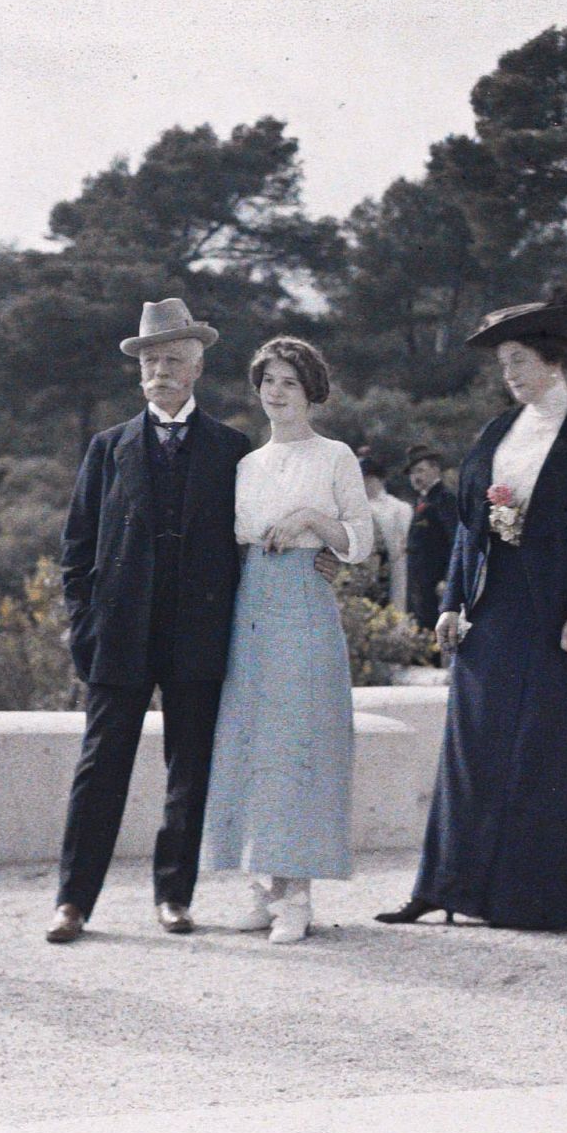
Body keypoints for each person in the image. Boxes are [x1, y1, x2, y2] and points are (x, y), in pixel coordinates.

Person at [375, 292, 567, 932]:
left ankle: (536, 901)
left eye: (518, 360)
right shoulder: (497, 432)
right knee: (471, 752)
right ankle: (441, 887)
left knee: (548, 757)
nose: (509, 374)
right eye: (503, 364)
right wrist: (454, 602)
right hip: (492, 614)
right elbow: (470, 529)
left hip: (559, 622)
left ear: (553, 360)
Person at [45, 299, 253, 943]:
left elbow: (246, 547)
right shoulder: (108, 449)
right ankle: (74, 902)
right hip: (119, 636)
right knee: (100, 767)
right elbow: (76, 549)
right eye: (150, 362)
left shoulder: (231, 450)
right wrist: (86, 627)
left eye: (171, 361)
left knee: (189, 769)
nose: (159, 372)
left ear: (195, 368)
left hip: (198, 636)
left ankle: (174, 896)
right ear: (138, 374)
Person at [198, 339, 373, 944]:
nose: (276, 393)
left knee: (300, 741)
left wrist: (308, 521)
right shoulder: (248, 465)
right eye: (268, 381)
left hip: (303, 602)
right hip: (251, 605)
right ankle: (261, 887)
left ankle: (297, 894)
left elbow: (360, 541)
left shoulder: (334, 457)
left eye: (289, 383)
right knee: (250, 740)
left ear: (311, 391)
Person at [401, 444, 459, 632]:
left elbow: (455, 542)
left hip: (435, 582)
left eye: (420, 470)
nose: (415, 477)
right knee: (420, 630)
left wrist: (447, 579)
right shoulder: (422, 500)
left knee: (432, 632)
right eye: (412, 473)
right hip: (419, 580)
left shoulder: (444, 499)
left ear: (435, 469)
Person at [359, 453, 413, 614]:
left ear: (380, 480)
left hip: (394, 566)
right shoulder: (354, 509)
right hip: (364, 570)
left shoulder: (399, 508)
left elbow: (406, 541)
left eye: (369, 479)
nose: (365, 484)